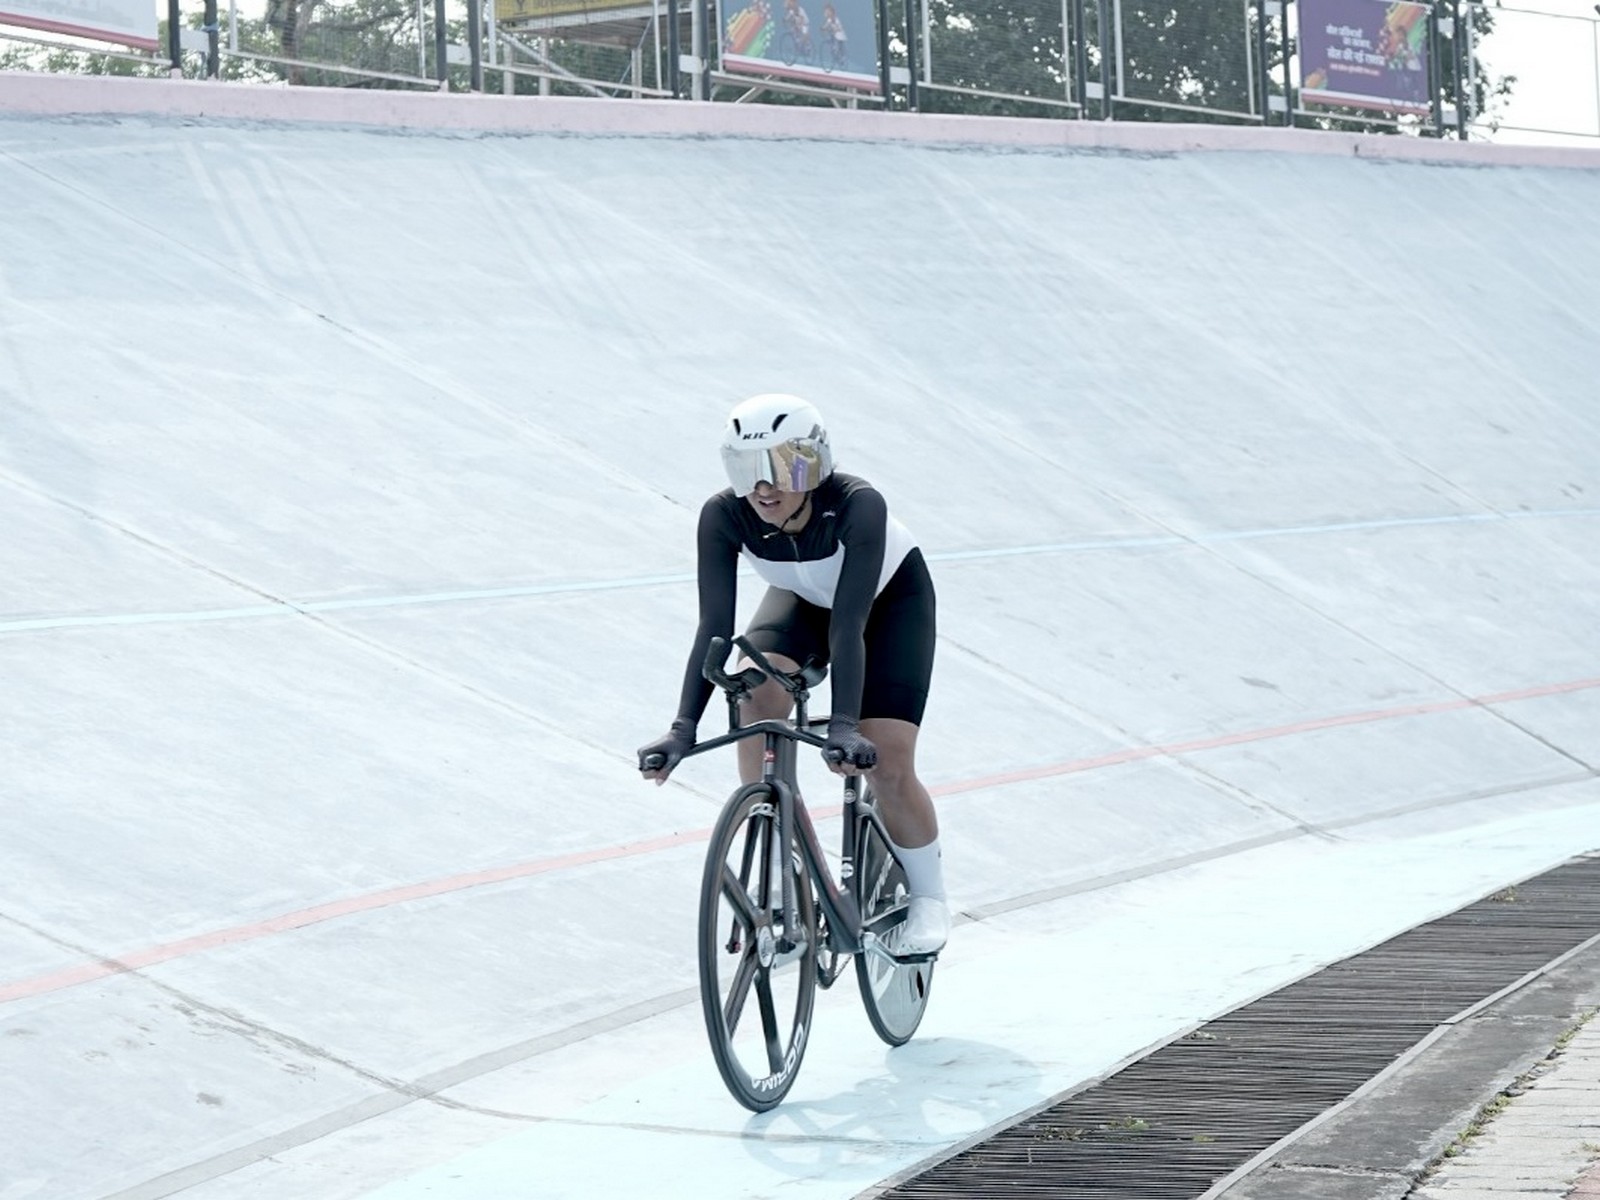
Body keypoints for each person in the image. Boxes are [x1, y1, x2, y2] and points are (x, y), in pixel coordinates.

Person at [637, 394, 949, 955]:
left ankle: (929, 900)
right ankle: (781, 864)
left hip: (887, 604)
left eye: (782, 467)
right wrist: (683, 726)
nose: (764, 488)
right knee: (753, 695)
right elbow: (714, 627)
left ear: (816, 465)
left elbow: (849, 625)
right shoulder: (723, 515)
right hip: (803, 600)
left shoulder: (858, 505)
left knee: (888, 757)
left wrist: (846, 725)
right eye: (746, 469)